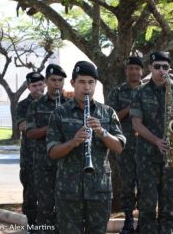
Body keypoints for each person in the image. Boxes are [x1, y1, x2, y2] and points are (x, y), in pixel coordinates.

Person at [46, 61, 126, 233]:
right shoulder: (59, 113)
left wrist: (102, 132)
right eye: (82, 82)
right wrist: (73, 142)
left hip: (99, 189)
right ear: (73, 83)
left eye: (91, 82)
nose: (86, 87)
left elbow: (119, 147)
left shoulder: (107, 112)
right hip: (68, 190)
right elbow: (52, 152)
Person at [130, 51, 173, 233]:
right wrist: (157, 141)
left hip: (171, 154)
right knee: (147, 201)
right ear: (150, 68)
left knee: (168, 202)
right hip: (147, 155)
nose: (162, 70)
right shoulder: (140, 91)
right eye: (157, 67)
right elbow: (136, 124)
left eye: (165, 67)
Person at [26, 64, 68, 233]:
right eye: (53, 80)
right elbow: (30, 133)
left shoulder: (71, 104)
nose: (57, 84)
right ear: (46, 81)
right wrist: (51, 126)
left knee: (66, 205)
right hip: (44, 165)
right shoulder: (35, 106)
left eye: (60, 80)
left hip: (67, 164)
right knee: (46, 205)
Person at [106, 56, 143, 234]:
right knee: (127, 186)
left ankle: (144, 221)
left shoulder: (149, 90)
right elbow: (110, 119)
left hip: (147, 148)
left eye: (137, 68)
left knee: (146, 185)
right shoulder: (117, 92)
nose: (134, 71)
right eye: (131, 68)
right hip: (126, 147)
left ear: (142, 71)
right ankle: (128, 221)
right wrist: (129, 108)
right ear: (126, 71)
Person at [16, 72, 45, 232]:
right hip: (29, 157)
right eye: (34, 86)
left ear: (45, 84)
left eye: (40, 84)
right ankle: (33, 226)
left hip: (49, 155)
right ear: (28, 87)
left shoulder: (53, 103)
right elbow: (22, 126)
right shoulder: (22, 105)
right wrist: (44, 125)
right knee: (30, 194)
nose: (37, 88)